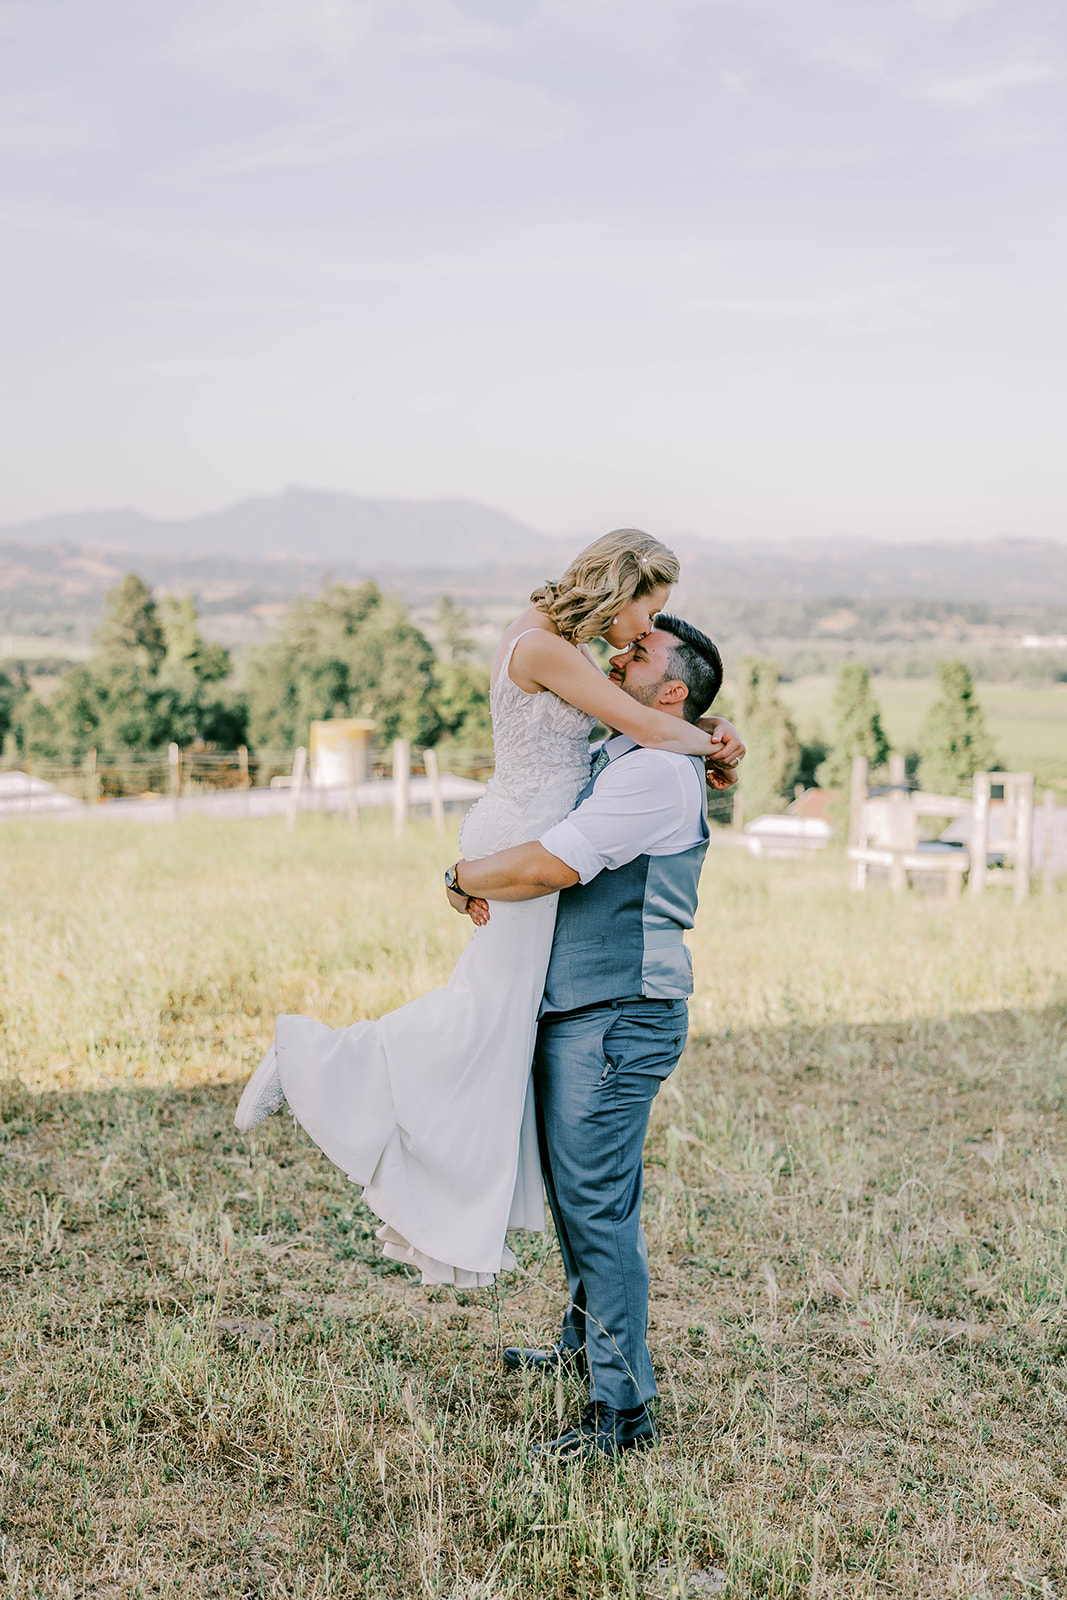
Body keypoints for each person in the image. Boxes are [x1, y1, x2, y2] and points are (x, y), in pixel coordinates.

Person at [234, 530, 743, 1290]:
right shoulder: (542, 647)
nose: (643, 630)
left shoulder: (560, 645)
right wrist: (717, 745)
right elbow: (639, 723)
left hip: (532, 826)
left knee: (494, 1019)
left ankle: (424, 1154)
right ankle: (315, 1061)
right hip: (524, 835)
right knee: (482, 1013)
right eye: (648, 612)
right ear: (619, 589)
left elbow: (639, 717)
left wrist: (706, 730)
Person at [441, 615, 722, 1460]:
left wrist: (458, 878)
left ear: (669, 693)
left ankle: (621, 1412)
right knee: (581, 1199)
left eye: (637, 655)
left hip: (615, 1012)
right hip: (582, 1005)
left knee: (596, 1210)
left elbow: (551, 866)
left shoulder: (654, 778)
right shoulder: (630, 753)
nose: (615, 657)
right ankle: (580, 1345)